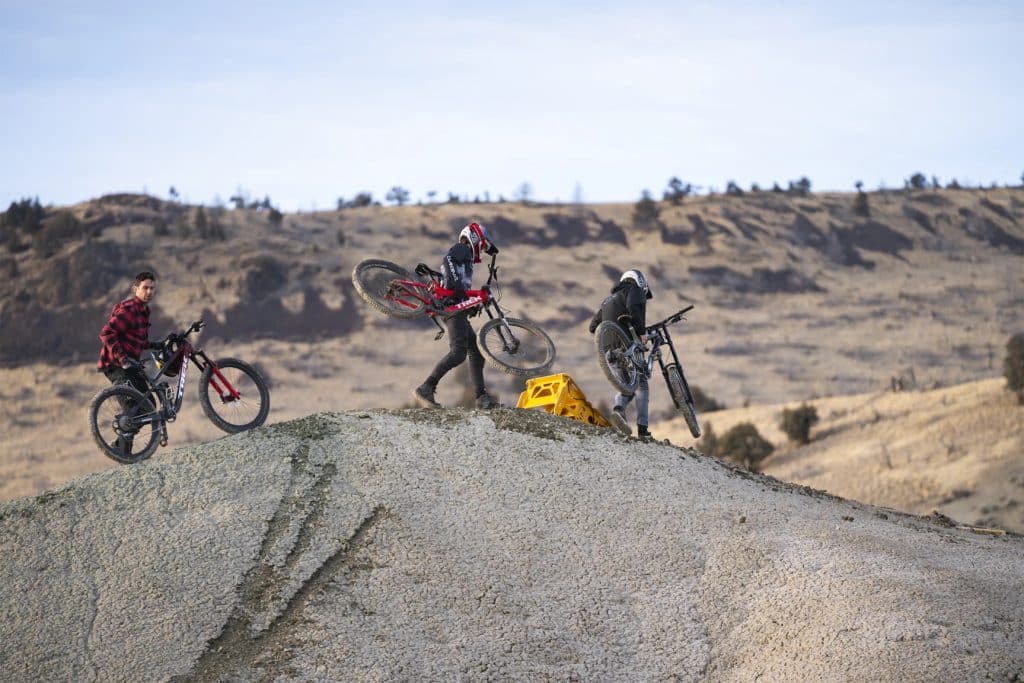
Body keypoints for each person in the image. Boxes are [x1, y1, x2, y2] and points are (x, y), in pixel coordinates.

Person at [413, 222, 501, 410]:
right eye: (482, 245)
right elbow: (449, 262)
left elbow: (461, 290)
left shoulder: (467, 260)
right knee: (458, 353)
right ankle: (426, 387)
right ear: (475, 238)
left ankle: (481, 399)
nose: (482, 250)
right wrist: (457, 286)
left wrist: (471, 304)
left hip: (456, 308)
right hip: (451, 307)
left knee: (476, 351)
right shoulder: (462, 249)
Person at [589, 269, 654, 439]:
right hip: (626, 346)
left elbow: (592, 327)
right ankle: (643, 430)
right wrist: (641, 332)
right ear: (640, 281)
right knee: (641, 385)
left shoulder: (607, 300)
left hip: (607, 350)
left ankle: (619, 410)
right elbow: (634, 308)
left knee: (627, 385)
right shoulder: (634, 290)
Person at [97, 270, 161, 396]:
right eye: (145, 288)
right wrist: (123, 358)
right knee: (134, 405)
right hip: (116, 365)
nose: (149, 292)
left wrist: (156, 345)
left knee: (149, 403)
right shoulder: (130, 309)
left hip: (131, 365)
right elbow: (106, 333)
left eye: (152, 288)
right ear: (135, 289)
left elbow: (137, 340)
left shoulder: (144, 311)